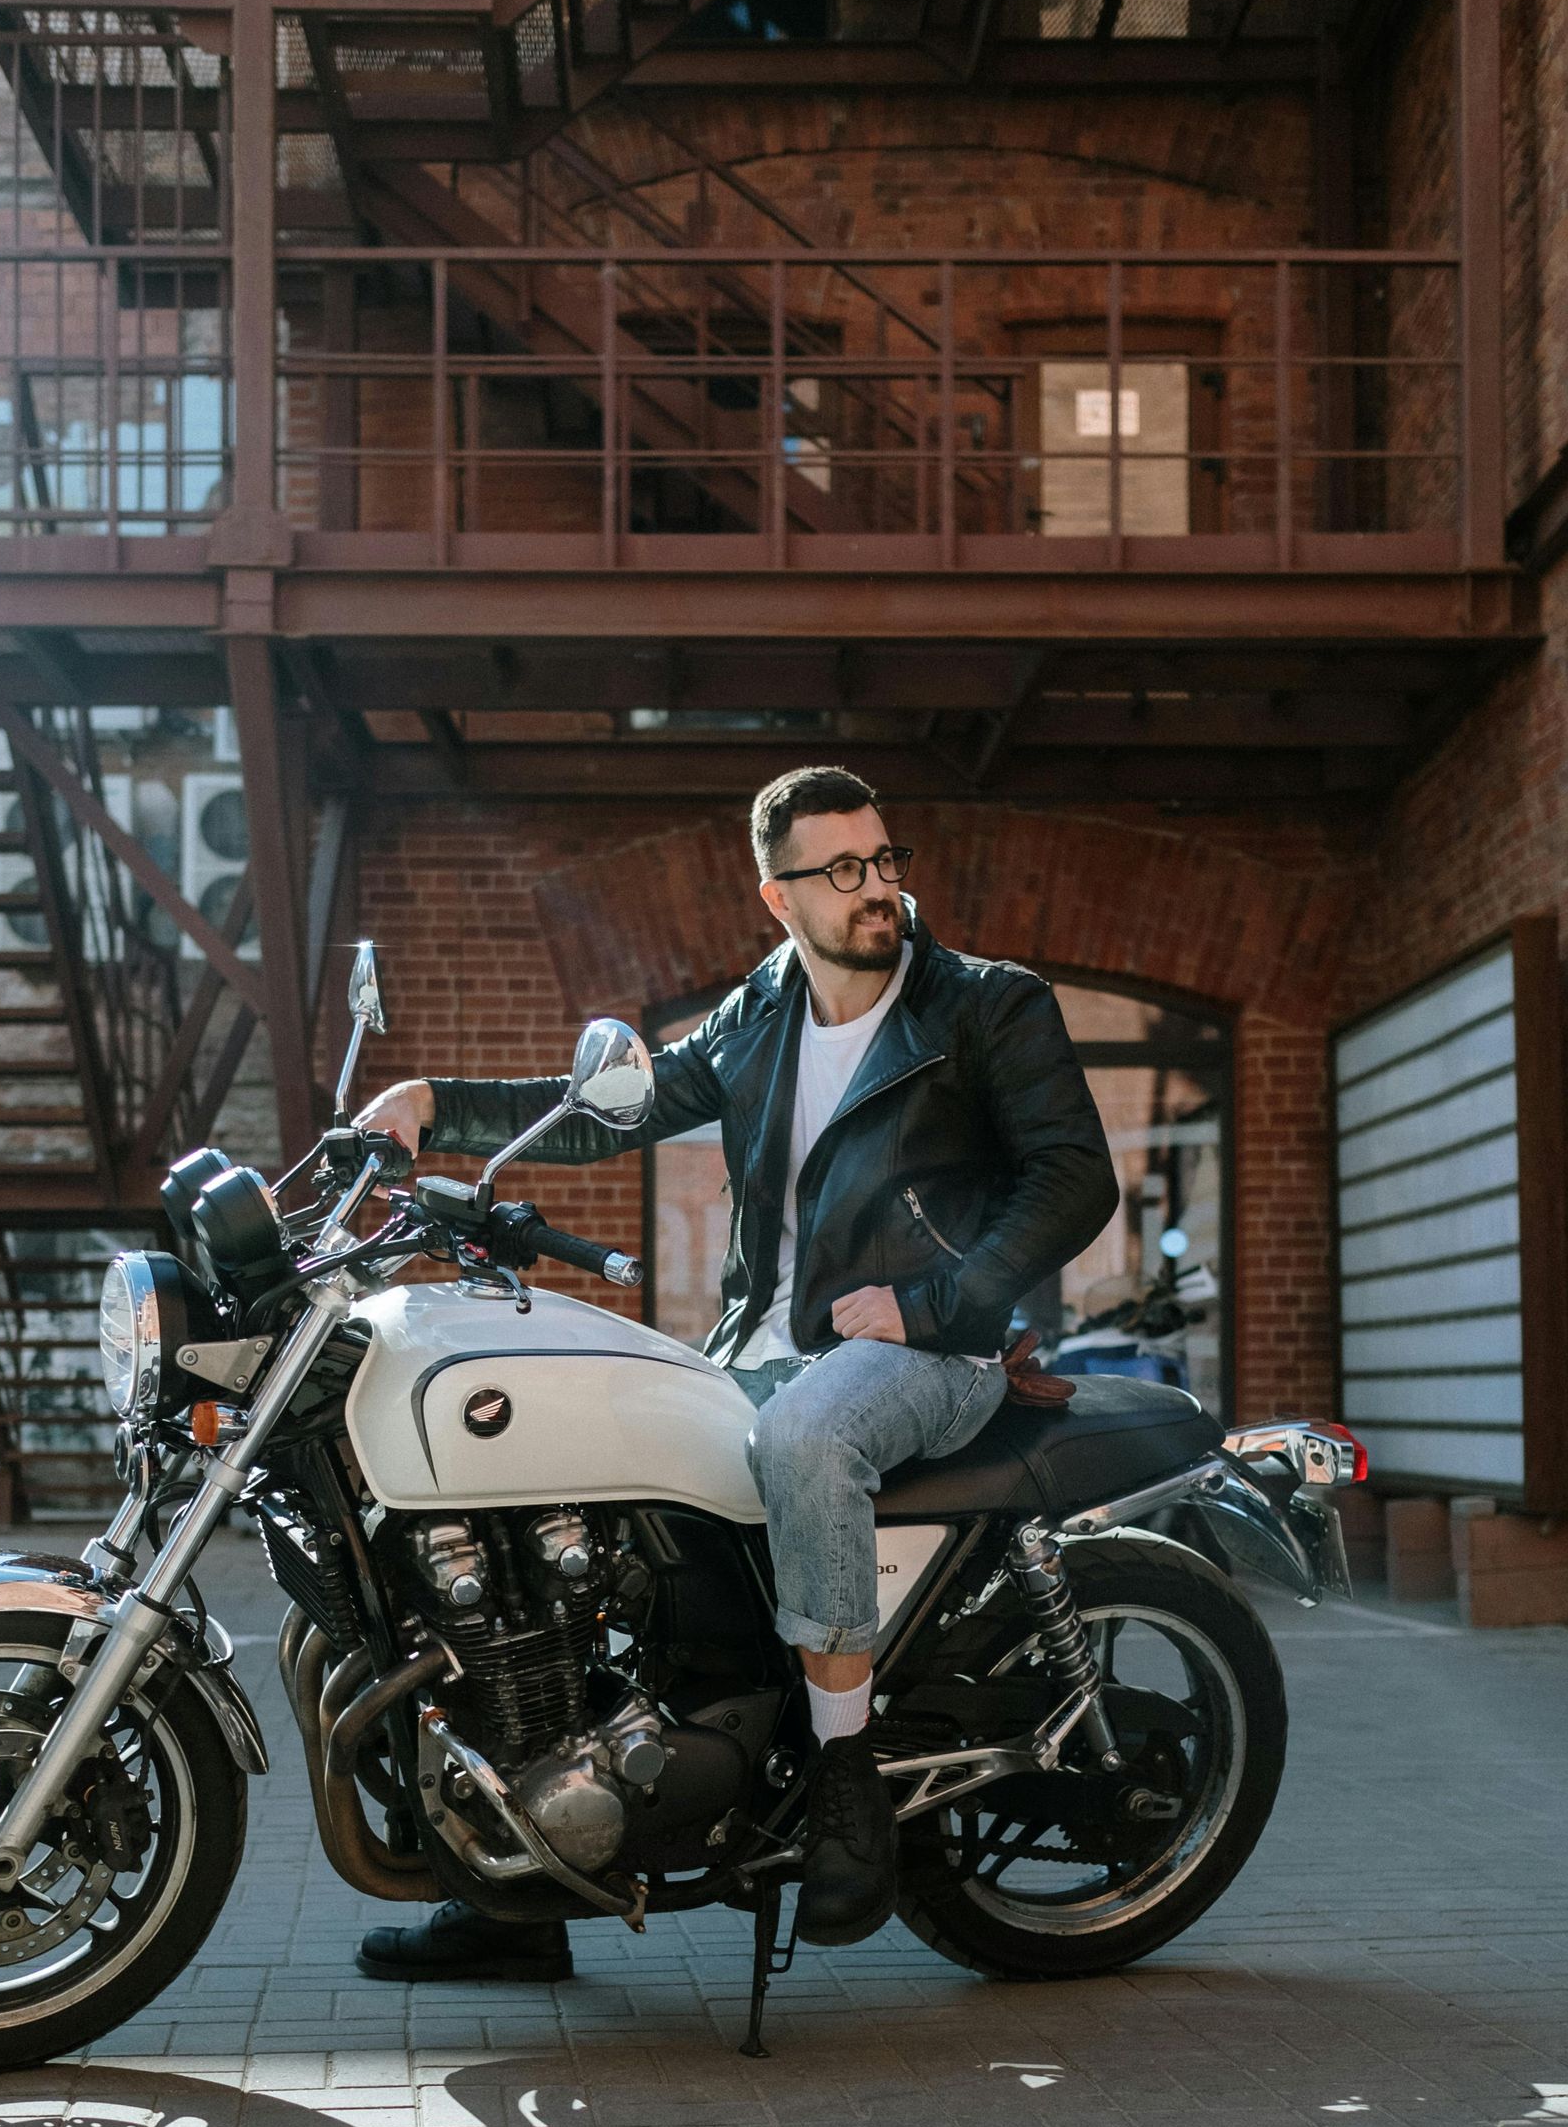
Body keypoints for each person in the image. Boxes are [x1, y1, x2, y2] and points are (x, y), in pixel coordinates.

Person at [351, 766, 1119, 1983]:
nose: (879, 889)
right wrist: (435, 1105)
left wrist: (937, 1301)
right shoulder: (761, 1013)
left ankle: (846, 1778)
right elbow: (613, 1108)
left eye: (885, 860)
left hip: (930, 1356)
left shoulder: (982, 1007)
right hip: (761, 1347)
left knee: (807, 1441)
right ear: (779, 896)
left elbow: (1074, 1178)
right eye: (844, 871)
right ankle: (523, 1885)